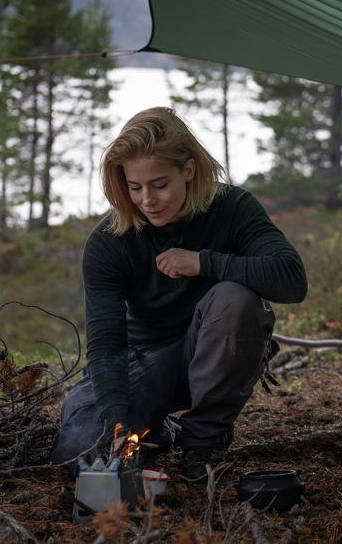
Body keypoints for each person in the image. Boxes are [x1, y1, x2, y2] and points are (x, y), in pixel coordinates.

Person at [50, 107, 307, 479]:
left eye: (159, 185)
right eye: (134, 187)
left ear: (188, 170)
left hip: (217, 354)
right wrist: (117, 422)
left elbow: (291, 279)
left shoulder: (232, 208)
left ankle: (204, 442)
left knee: (236, 299)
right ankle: (157, 430)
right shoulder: (109, 241)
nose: (147, 200)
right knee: (79, 448)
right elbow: (106, 345)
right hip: (145, 361)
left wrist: (204, 262)